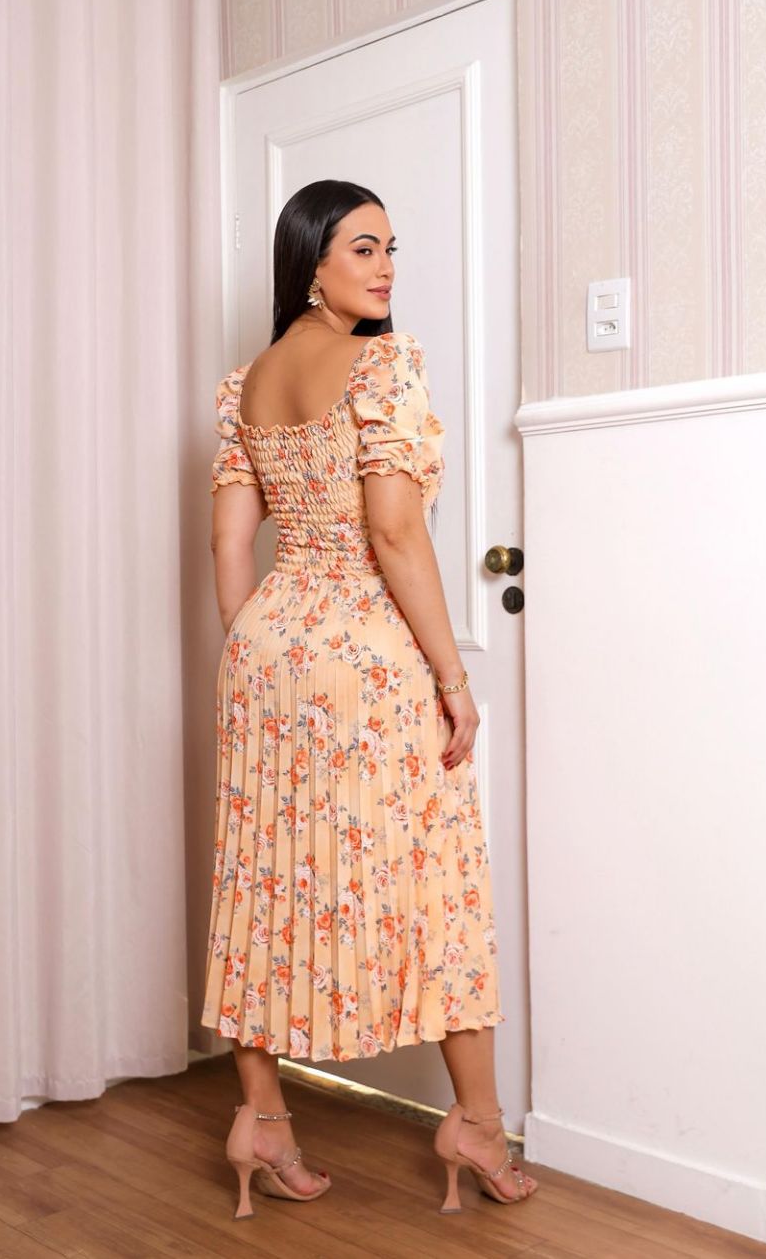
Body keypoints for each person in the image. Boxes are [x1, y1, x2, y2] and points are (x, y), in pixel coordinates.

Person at [201, 179, 538, 1220]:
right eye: (361, 248)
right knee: (438, 879)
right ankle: (476, 1124)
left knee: (265, 881)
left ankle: (263, 1122)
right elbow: (394, 531)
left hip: (268, 647)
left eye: (391, 247)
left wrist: (259, 655)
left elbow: (227, 543)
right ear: (311, 263)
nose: (386, 267)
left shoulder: (248, 384)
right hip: (366, 654)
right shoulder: (382, 366)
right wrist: (452, 679)